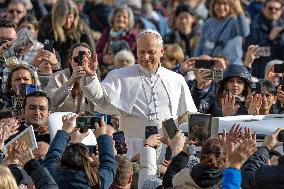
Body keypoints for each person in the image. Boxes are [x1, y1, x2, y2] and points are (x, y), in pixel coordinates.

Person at [82, 29, 197, 158]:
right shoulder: (119, 76)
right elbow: (100, 98)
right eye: (141, 52)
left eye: (151, 52)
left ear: (162, 51)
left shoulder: (176, 80)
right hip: (133, 153)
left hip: (168, 154)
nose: (145, 57)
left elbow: (186, 117)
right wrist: (91, 77)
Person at [44, 113, 116, 189]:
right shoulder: (97, 182)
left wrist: (65, 131)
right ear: (87, 162)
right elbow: (109, 166)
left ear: (63, 159)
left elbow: (53, 155)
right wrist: (102, 136)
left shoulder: (52, 177)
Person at [37, 0, 95, 69]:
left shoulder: (81, 29)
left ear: (75, 16)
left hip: (77, 70)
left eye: (70, 17)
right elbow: (45, 54)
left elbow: (92, 54)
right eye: (64, 18)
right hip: (53, 71)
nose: (67, 21)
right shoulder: (47, 28)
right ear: (57, 16)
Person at [45, 43, 97, 113]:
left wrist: (90, 80)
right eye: (76, 59)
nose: (82, 62)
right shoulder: (58, 77)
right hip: (62, 121)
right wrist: (71, 80)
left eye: (87, 59)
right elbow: (53, 102)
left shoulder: (94, 80)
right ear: (70, 61)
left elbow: (98, 107)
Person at [194, 0, 250, 65]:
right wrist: (196, 62)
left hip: (232, 67)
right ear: (213, 5)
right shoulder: (208, 23)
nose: (221, 7)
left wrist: (239, 12)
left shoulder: (235, 21)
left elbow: (245, 32)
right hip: (211, 66)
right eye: (218, 3)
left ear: (230, 6)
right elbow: (200, 45)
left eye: (225, 3)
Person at [246, 0, 284, 78]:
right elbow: (253, 52)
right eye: (270, 8)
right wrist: (270, 39)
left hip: (279, 75)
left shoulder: (282, 25)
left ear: (281, 11)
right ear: (263, 9)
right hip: (259, 73)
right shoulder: (254, 25)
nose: (273, 11)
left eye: (277, 9)